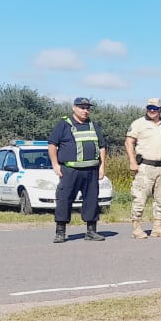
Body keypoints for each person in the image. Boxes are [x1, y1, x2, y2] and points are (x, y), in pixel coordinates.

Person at [47, 97, 108, 243]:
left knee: (92, 200)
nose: (85, 111)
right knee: (64, 199)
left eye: (87, 108)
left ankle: (91, 231)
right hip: (70, 170)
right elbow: (52, 145)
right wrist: (55, 164)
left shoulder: (93, 126)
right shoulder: (63, 125)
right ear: (74, 108)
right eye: (82, 108)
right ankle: (60, 232)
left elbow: (102, 147)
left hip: (91, 170)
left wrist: (102, 166)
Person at [125, 97, 161, 240]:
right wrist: (132, 161)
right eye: (149, 108)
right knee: (140, 198)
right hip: (145, 166)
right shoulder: (138, 123)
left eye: (155, 108)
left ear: (160, 110)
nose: (152, 111)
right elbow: (129, 142)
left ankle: (158, 228)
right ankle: (136, 228)